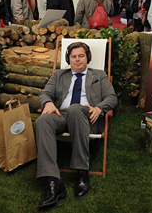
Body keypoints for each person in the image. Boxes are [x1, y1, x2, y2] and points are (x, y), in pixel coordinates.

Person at [35, 42, 117, 209]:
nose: (77, 60)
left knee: (75, 109)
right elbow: (45, 94)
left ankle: (82, 172)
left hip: (87, 118)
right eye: (73, 57)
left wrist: (99, 108)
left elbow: (112, 98)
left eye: (81, 56)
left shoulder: (99, 75)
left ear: (88, 58)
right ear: (68, 59)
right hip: (62, 116)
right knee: (42, 121)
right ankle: (53, 181)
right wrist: (48, 103)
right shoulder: (59, 75)